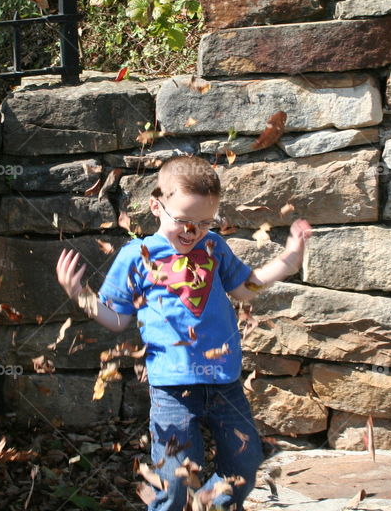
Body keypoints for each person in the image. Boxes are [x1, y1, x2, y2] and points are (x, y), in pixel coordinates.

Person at [56, 154, 311, 511]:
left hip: (225, 383)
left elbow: (244, 288)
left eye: (205, 223)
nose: (194, 232)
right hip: (172, 392)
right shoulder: (137, 255)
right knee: (175, 479)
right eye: (185, 222)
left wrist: (288, 262)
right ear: (156, 206)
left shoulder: (213, 247)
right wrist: (81, 296)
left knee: (245, 462)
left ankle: (211, 503)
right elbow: (117, 320)